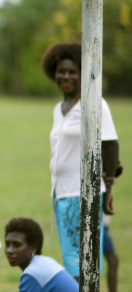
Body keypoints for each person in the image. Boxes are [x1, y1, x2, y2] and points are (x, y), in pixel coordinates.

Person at [41, 42, 120, 280]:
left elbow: (110, 144)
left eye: (72, 72)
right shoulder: (59, 108)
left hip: (83, 192)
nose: (66, 76)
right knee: (72, 262)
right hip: (61, 193)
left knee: (84, 265)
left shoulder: (94, 103)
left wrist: (108, 187)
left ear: (83, 74)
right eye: (61, 71)